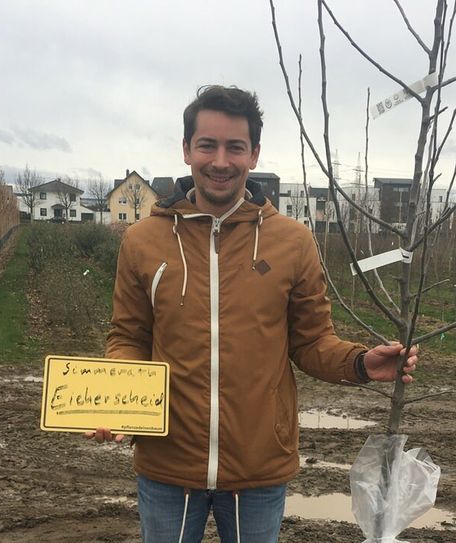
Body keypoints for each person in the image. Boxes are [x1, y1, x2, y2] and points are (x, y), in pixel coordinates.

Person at [86, 85, 418, 543]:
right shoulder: (144, 240)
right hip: (166, 464)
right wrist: (115, 396)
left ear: (254, 154)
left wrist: (361, 363)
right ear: (187, 150)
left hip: (259, 466)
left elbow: (311, 342)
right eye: (207, 145)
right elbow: (128, 336)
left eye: (234, 147)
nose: (220, 161)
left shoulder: (292, 241)